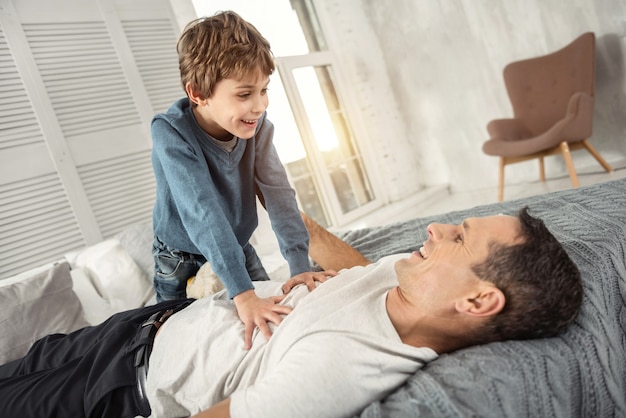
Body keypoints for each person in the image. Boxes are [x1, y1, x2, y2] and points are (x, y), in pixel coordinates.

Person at [0, 208, 583, 418]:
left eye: (459, 238)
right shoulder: (409, 278)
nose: (436, 227)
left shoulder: (342, 368)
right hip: (147, 323)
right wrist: (289, 214)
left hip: (123, 384)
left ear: (479, 301)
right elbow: (362, 267)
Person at [150, 11, 321, 349]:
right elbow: (202, 211)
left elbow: (279, 195)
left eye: (264, 90)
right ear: (198, 92)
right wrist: (243, 295)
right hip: (179, 254)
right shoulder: (171, 133)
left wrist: (299, 264)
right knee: (168, 336)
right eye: (245, 95)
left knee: (271, 317)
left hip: (236, 243)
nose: (260, 105)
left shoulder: (257, 128)